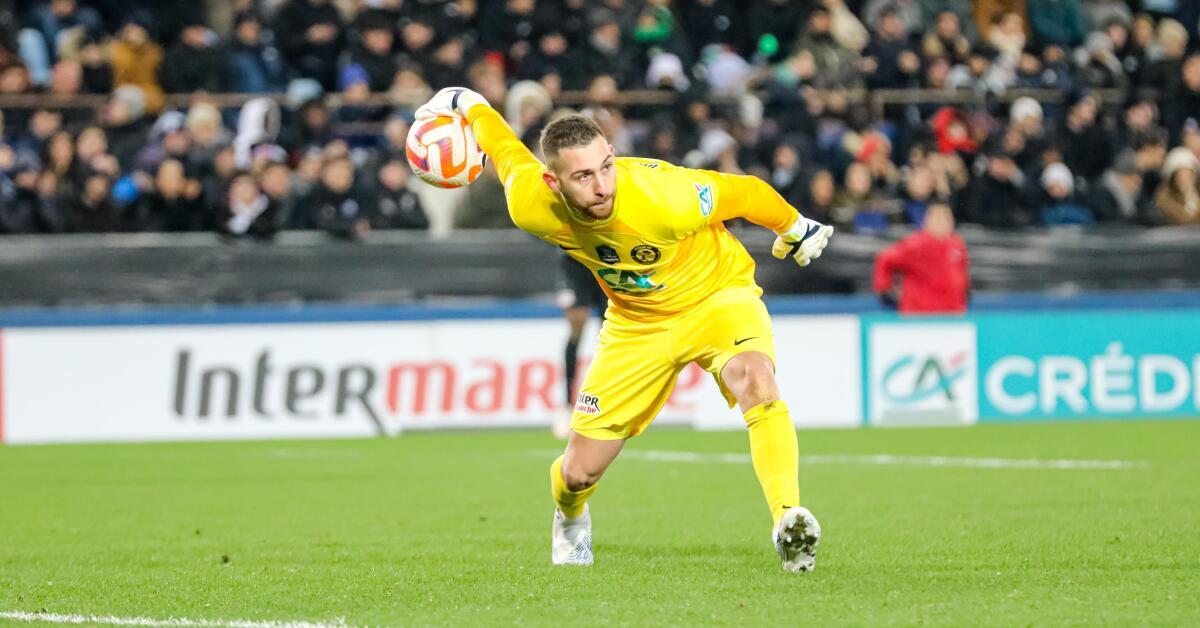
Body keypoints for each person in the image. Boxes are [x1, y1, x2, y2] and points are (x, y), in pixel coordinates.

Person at [415, 87, 833, 572]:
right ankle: (571, 519)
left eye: (606, 166)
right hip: (636, 326)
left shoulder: (662, 196)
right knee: (576, 473)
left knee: (756, 380)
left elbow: (744, 191)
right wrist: (463, 100)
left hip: (715, 297)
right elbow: (503, 146)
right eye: (583, 176)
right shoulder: (529, 202)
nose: (602, 186)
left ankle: (788, 520)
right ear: (552, 182)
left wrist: (795, 226)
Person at [872, 202, 969, 314]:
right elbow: (885, 258)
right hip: (921, 314)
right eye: (938, 218)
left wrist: (964, 290)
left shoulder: (957, 244)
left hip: (953, 312)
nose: (943, 222)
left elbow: (962, 271)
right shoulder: (916, 244)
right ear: (927, 221)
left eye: (947, 218)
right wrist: (884, 290)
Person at [551, 254, 609, 440]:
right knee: (576, 327)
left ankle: (608, 404)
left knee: (609, 334)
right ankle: (567, 407)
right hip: (575, 263)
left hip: (603, 261)